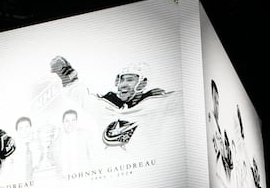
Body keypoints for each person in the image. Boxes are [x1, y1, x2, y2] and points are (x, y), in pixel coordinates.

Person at [47, 56, 175, 150]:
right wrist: (71, 81)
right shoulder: (106, 104)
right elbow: (82, 99)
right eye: (122, 80)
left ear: (142, 83)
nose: (123, 84)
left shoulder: (157, 102)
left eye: (129, 80)